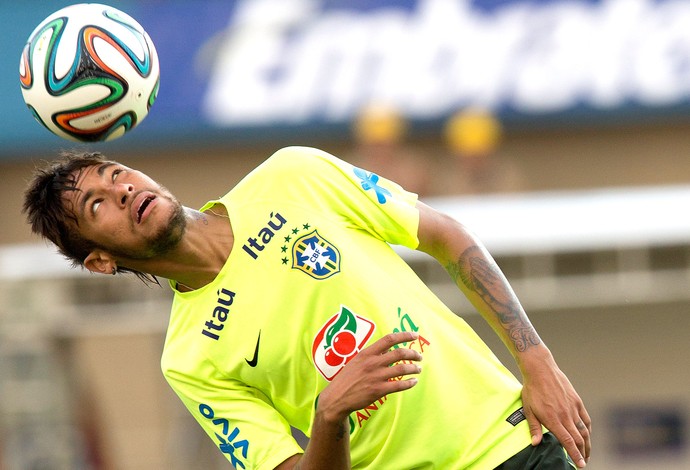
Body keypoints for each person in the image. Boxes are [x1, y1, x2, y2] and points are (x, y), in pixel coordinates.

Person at [23, 146, 591, 469]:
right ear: (99, 260)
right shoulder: (188, 360)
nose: (122, 191)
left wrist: (535, 359)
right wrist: (328, 415)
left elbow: (445, 234)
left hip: (520, 445)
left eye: (116, 175)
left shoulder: (293, 175)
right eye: (98, 204)